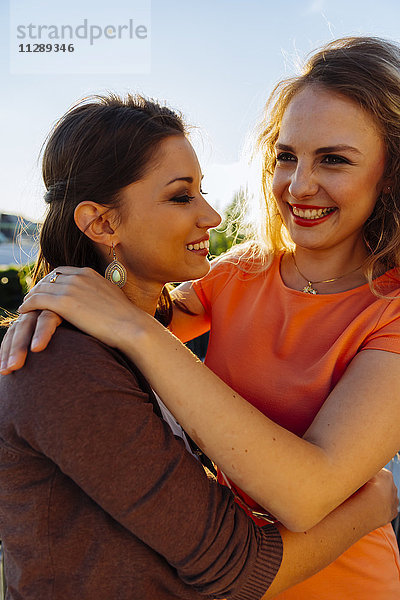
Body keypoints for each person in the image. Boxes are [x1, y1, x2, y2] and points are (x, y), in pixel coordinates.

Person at [2, 37, 400, 598]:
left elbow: (307, 497)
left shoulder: (391, 312)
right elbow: (124, 319)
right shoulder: (240, 273)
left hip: (342, 581)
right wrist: (47, 299)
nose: (299, 185)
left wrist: (133, 327)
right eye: (286, 156)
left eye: (333, 159)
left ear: (389, 173)